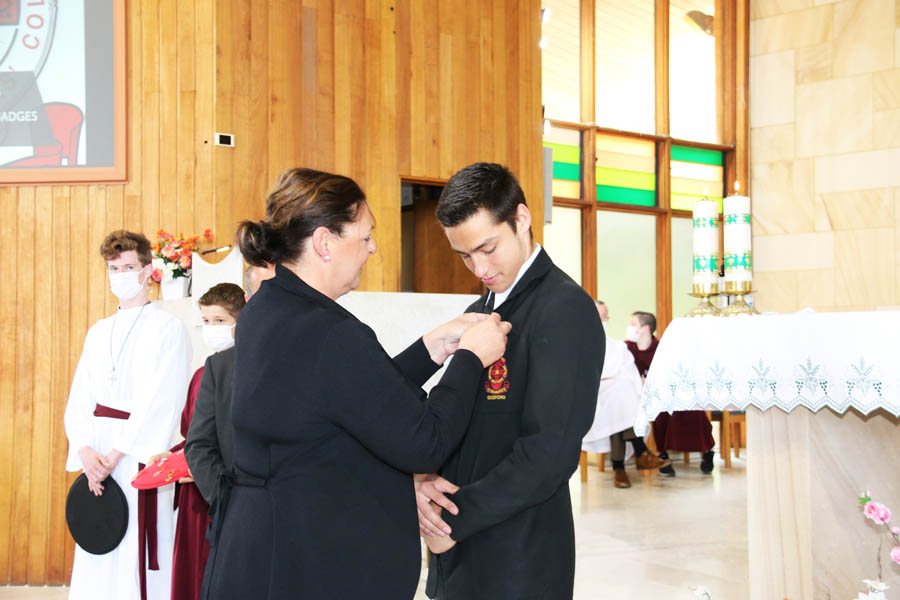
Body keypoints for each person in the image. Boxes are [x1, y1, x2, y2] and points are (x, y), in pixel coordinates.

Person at [200, 167, 511, 600]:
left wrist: (432, 348)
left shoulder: (268, 308)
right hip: (309, 559)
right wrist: (471, 359)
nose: (373, 248)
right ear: (324, 242)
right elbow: (425, 442)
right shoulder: (329, 332)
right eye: (365, 236)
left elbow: (352, 398)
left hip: (262, 545)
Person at [417, 162, 605, 600]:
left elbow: (549, 452)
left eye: (487, 248)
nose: (478, 267)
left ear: (521, 219)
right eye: (465, 255)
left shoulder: (563, 308)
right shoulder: (482, 309)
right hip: (461, 551)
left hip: (519, 555)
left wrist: (455, 520)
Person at [64, 230, 191, 600]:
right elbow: (80, 396)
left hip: (136, 453)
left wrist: (117, 453)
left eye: (128, 267)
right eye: (113, 268)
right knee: (98, 537)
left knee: (138, 542)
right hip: (98, 452)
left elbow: (164, 399)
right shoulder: (98, 331)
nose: (120, 275)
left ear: (147, 270)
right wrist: (85, 451)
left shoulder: (167, 328)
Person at [149, 282, 245, 600]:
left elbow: (230, 438)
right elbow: (195, 436)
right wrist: (172, 457)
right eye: (205, 321)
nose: (211, 328)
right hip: (194, 493)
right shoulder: (202, 373)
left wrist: (201, 468)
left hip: (219, 489)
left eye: (220, 321)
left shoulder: (246, 374)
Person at [582, 301, 670, 489]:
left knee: (619, 397)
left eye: (604, 317)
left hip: (616, 398)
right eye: (598, 316)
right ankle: (641, 452)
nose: (602, 320)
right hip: (592, 396)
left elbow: (630, 374)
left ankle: (619, 468)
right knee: (619, 397)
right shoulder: (576, 344)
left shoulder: (617, 347)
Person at [626, 311, 716, 475]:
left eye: (633, 324)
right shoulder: (627, 348)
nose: (629, 328)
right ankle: (663, 454)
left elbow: (674, 371)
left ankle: (707, 451)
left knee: (690, 409)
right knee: (659, 412)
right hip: (638, 394)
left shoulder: (663, 348)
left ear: (646, 329)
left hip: (666, 390)